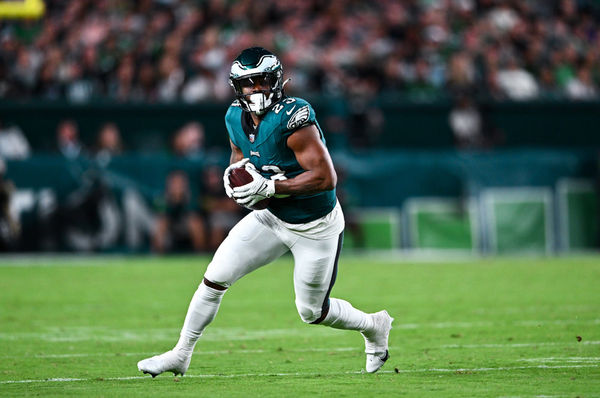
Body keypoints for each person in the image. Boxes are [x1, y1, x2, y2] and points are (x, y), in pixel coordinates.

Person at [137, 47, 393, 377]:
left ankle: (374, 326)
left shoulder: (295, 116)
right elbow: (238, 155)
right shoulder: (234, 117)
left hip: (314, 226)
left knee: (312, 311)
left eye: (262, 81)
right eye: (248, 83)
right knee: (214, 279)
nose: (256, 89)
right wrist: (233, 177)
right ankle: (181, 353)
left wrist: (272, 188)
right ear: (237, 87)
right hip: (270, 217)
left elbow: (325, 177)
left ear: (277, 81)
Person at [152, 170, 207, 253]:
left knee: (195, 222)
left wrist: (182, 199)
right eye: (174, 183)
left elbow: (195, 214)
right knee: (162, 223)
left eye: (180, 183)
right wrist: (172, 200)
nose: (177, 186)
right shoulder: (163, 197)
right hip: (170, 230)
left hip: (186, 228)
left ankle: (200, 253)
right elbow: (162, 215)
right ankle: (157, 254)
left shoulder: (192, 196)